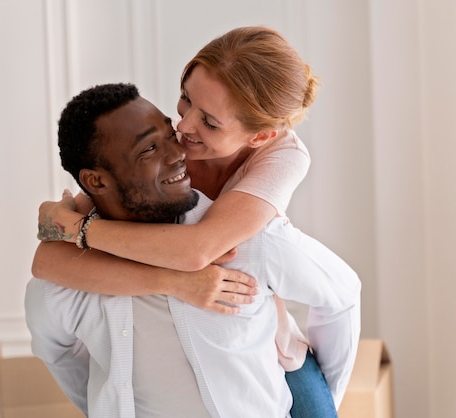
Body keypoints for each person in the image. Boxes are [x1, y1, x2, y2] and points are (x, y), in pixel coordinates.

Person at [34, 26, 351, 415]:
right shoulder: (169, 149)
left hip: (266, 342)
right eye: (185, 99)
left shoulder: (281, 159)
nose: (183, 129)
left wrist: (81, 230)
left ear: (259, 137)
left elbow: (198, 251)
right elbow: (47, 262)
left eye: (210, 122)